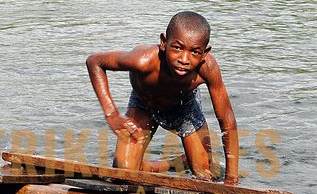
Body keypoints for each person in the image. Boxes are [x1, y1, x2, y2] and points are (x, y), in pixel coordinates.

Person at [86, 11, 239, 184]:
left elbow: (227, 121)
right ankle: (173, 163)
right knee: (124, 173)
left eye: (195, 52)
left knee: (205, 177)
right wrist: (112, 114)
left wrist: (232, 179)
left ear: (205, 53)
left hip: (184, 108)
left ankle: (187, 161)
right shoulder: (143, 60)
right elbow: (94, 62)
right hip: (144, 104)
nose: (184, 59)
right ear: (164, 42)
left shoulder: (207, 69)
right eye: (177, 47)